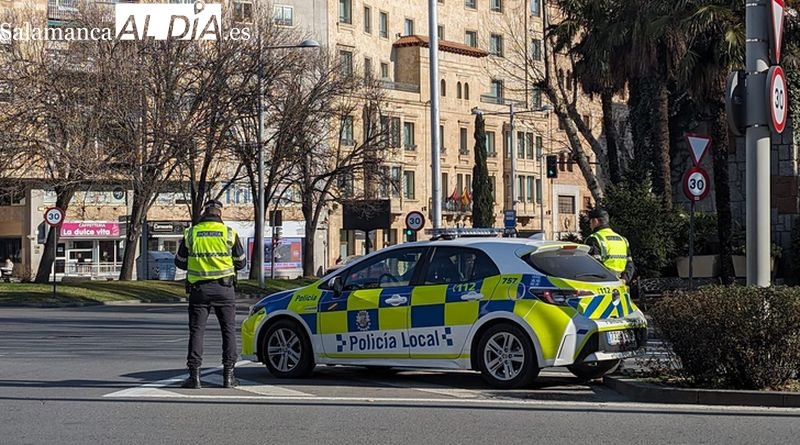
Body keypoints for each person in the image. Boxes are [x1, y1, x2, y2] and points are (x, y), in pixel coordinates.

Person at [174, 199, 246, 389]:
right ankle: (229, 376)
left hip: (199, 290)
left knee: (197, 332)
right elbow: (241, 262)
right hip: (225, 289)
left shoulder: (192, 233)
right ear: (220, 214)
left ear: (205, 213)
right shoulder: (229, 233)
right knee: (228, 331)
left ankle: (194, 377)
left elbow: (180, 262)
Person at [585, 207, 635, 284]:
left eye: (590, 222)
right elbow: (630, 264)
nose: (590, 225)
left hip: (603, 284)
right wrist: (624, 279)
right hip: (621, 284)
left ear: (595, 221)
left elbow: (594, 264)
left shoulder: (594, 238)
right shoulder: (622, 239)